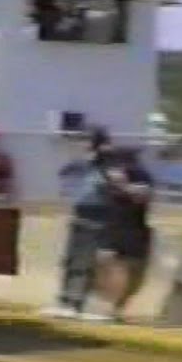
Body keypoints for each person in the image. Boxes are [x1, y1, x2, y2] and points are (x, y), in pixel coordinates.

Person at [42, 126, 114, 319]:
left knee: (85, 261)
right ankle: (65, 299)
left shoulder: (107, 165)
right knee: (71, 259)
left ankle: (76, 301)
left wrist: (100, 159)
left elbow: (110, 186)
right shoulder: (82, 163)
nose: (84, 145)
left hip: (97, 213)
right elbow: (64, 173)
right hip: (81, 211)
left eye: (87, 141)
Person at [80, 146, 155, 322]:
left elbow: (142, 196)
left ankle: (115, 308)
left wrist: (122, 184)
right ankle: (103, 306)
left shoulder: (140, 176)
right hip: (112, 229)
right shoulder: (105, 177)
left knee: (133, 273)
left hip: (134, 230)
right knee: (105, 265)